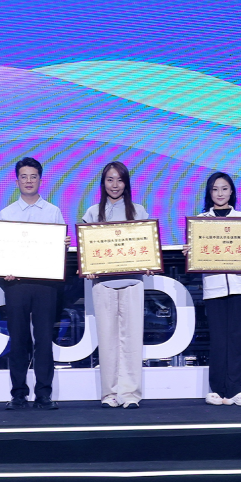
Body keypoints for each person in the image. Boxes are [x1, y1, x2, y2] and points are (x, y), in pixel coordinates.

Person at [81, 160, 152, 409]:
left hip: (133, 282)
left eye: (119, 180)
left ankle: (131, 394)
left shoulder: (139, 211)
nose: (114, 185)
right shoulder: (93, 213)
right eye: (110, 180)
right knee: (107, 340)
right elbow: (86, 250)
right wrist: (88, 267)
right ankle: (109, 393)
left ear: (126, 183)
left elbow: (147, 247)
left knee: (132, 339)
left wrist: (149, 262)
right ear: (103, 183)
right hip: (103, 284)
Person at [0, 156, 64, 411]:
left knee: (44, 339)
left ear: (40, 180)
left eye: (33, 176)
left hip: (46, 284)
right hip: (17, 285)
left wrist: (63, 243)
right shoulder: (6, 214)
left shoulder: (53, 212)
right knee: (19, 339)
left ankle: (44, 394)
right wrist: (4, 269)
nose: (28, 181)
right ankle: (18, 394)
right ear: (17, 182)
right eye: (23, 177)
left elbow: (59, 250)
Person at [194, 171, 241, 407]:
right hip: (214, 288)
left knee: (239, 339)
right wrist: (190, 251)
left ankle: (238, 389)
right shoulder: (200, 221)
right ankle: (217, 390)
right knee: (219, 340)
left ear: (231, 191)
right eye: (215, 189)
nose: (220, 193)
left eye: (224, 188)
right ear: (209, 193)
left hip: (240, 286)